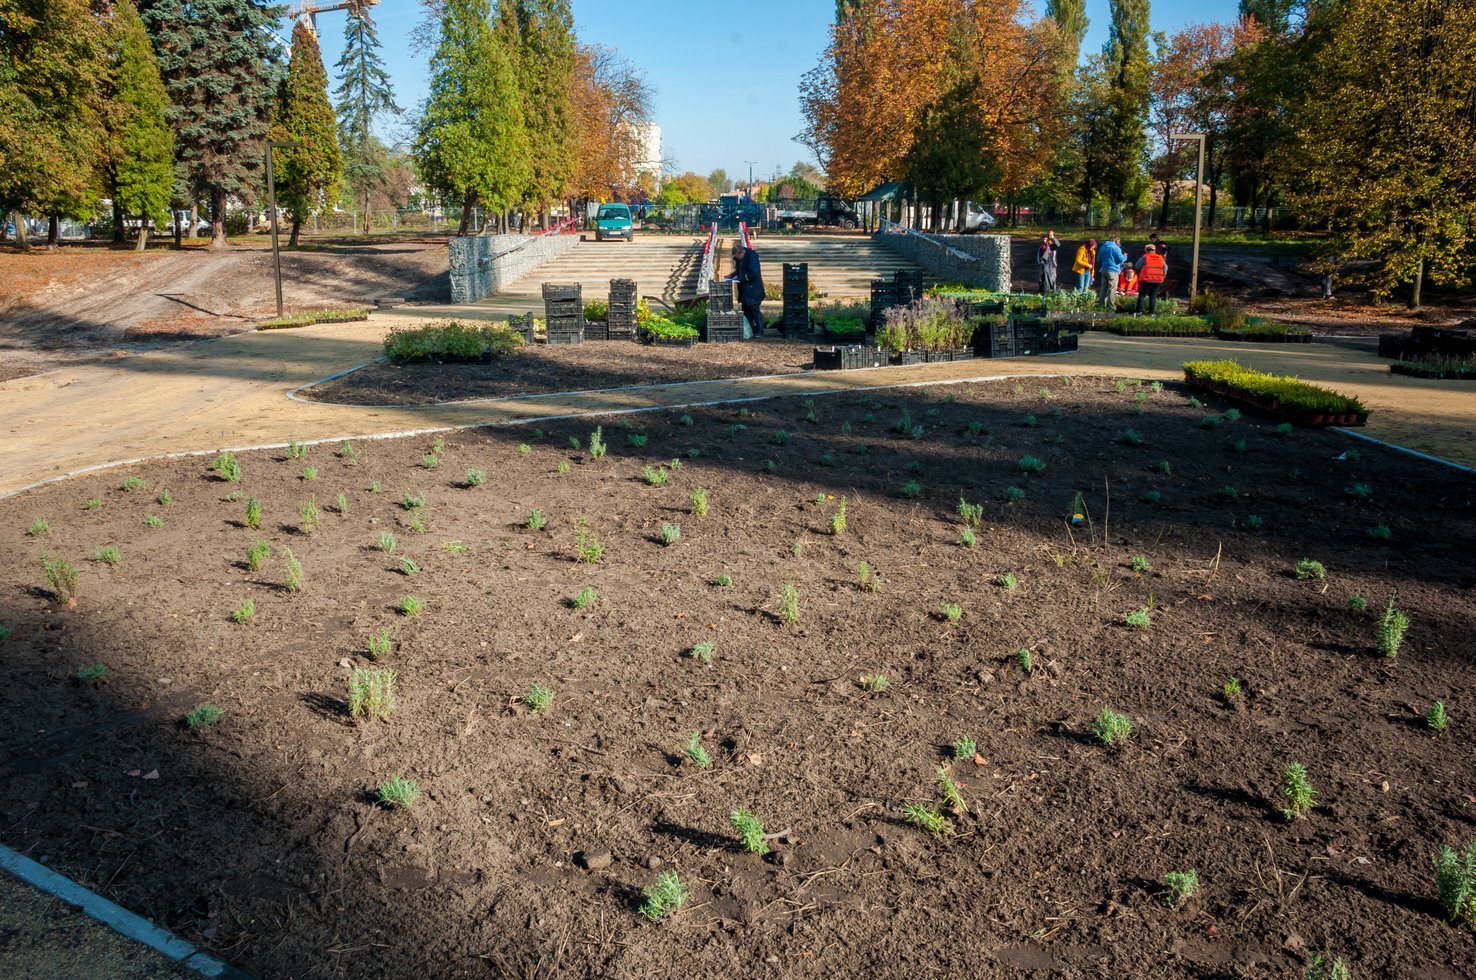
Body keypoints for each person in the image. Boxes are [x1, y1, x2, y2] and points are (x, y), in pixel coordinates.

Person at [728, 240, 765, 338]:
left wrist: (739, 278)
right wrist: (732, 275)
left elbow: (753, 274)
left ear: (742, 252)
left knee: (754, 309)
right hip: (745, 289)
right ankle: (750, 330)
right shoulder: (741, 259)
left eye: (737, 257)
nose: (737, 259)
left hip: (753, 289)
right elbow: (739, 270)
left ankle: (760, 330)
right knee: (746, 309)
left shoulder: (752, 257)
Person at [1094, 235, 1127, 307]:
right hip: (1113, 271)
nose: (1119, 243)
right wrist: (1125, 256)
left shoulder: (1102, 247)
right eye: (1118, 241)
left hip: (1104, 270)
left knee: (1103, 288)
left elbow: (1098, 260)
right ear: (1115, 240)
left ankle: (1101, 305)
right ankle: (1111, 306)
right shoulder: (1116, 248)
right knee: (1112, 289)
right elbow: (1121, 259)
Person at [1135, 243, 1167, 314]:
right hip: (1158, 280)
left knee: (1142, 295)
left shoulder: (1145, 256)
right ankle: (1151, 313)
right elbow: (1165, 267)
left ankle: (1139, 312)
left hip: (1147, 279)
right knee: (1153, 296)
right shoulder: (1160, 257)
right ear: (1154, 250)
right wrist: (1163, 275)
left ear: (1146, 250)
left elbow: (1137, 266)